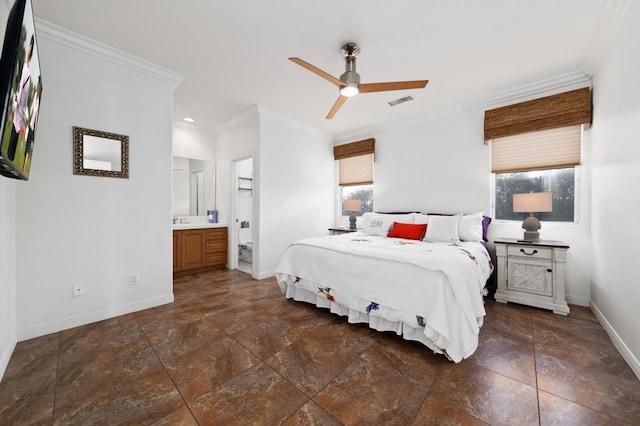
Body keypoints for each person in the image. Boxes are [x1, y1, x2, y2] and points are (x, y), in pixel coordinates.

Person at [7, 35, 34, 161]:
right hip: (19, 106)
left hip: (21, 108)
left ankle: (10, 156)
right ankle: (9, 155)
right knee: (15, 129)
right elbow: (20, 86)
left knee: (16, 131)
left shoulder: (27, 69)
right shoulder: (25, 68)